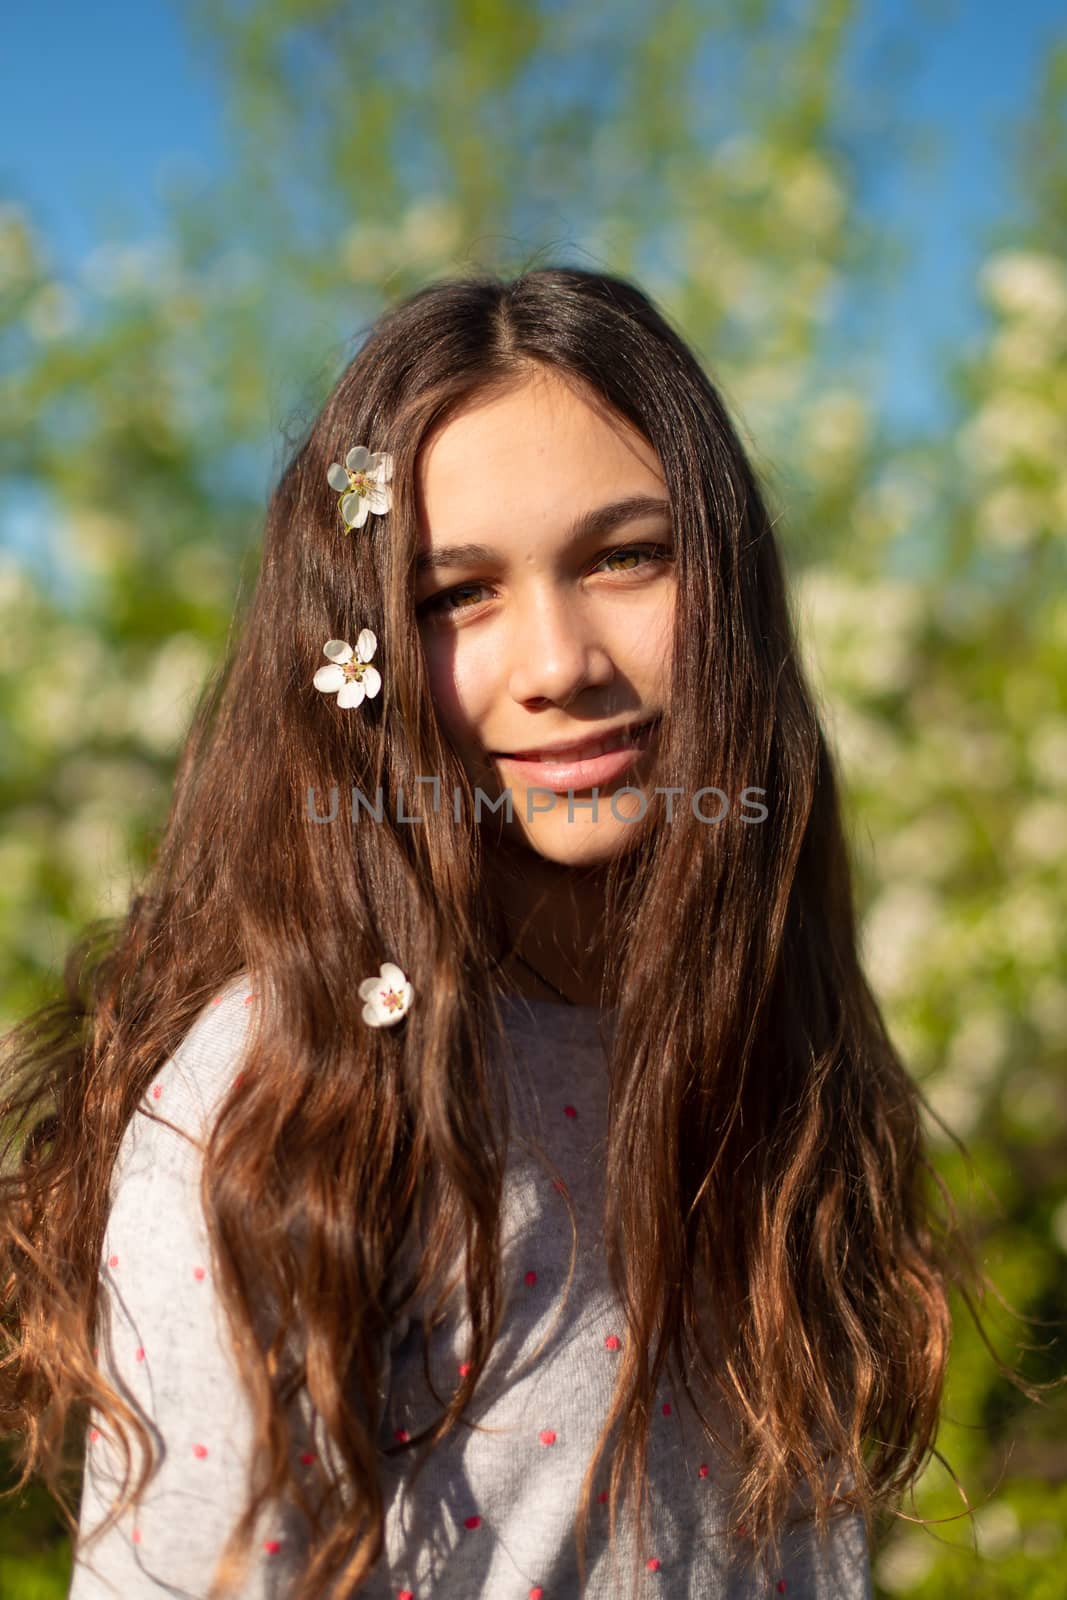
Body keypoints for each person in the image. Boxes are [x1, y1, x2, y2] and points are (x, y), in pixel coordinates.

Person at [0, 267, 980, 1598]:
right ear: (365, 653)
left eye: (625, 555)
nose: (559, 660)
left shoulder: (762, 1043)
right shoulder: (278, 1112)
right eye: (457, 593)